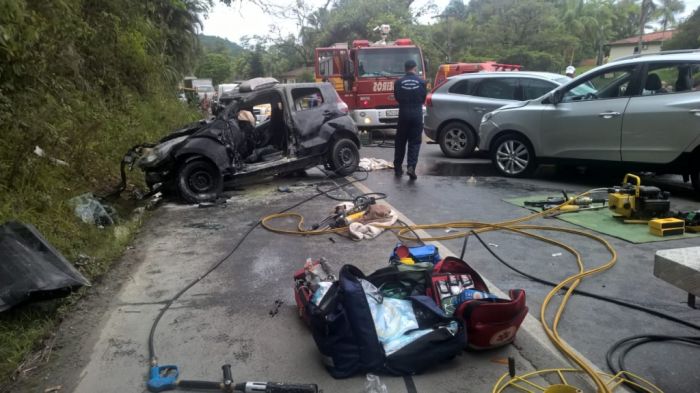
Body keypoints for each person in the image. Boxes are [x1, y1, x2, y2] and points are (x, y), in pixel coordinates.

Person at [393, 59, 427, 180]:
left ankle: (397, 168)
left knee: (400, 142)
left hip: (403, 114)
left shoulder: (398, 82)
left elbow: (397, 97)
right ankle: (411, 166)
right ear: (414, 68)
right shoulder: (422, 82)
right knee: (414, 142)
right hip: (417, 115)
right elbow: (423, 98)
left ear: (405, 68)